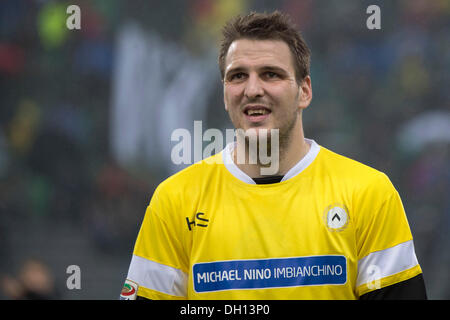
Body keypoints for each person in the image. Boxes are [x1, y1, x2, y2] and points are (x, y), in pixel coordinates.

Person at [120, 11, 427, 300]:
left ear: (304, 91)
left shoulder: (370, 195)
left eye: (270, 74)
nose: (252, 89)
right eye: (238, 76)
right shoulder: (175, 201)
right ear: (225, 95)